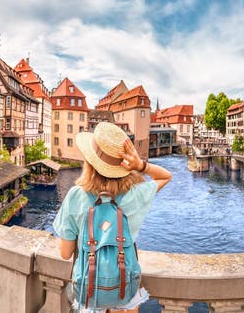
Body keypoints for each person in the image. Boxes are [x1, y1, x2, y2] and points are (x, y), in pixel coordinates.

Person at [53, 122, 172, 313]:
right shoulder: (136, 194)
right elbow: (165, 176)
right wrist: (140, 165)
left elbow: (65, 253)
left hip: (89, 291)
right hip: (124, 289)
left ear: (90, 162)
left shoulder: (76, 196)